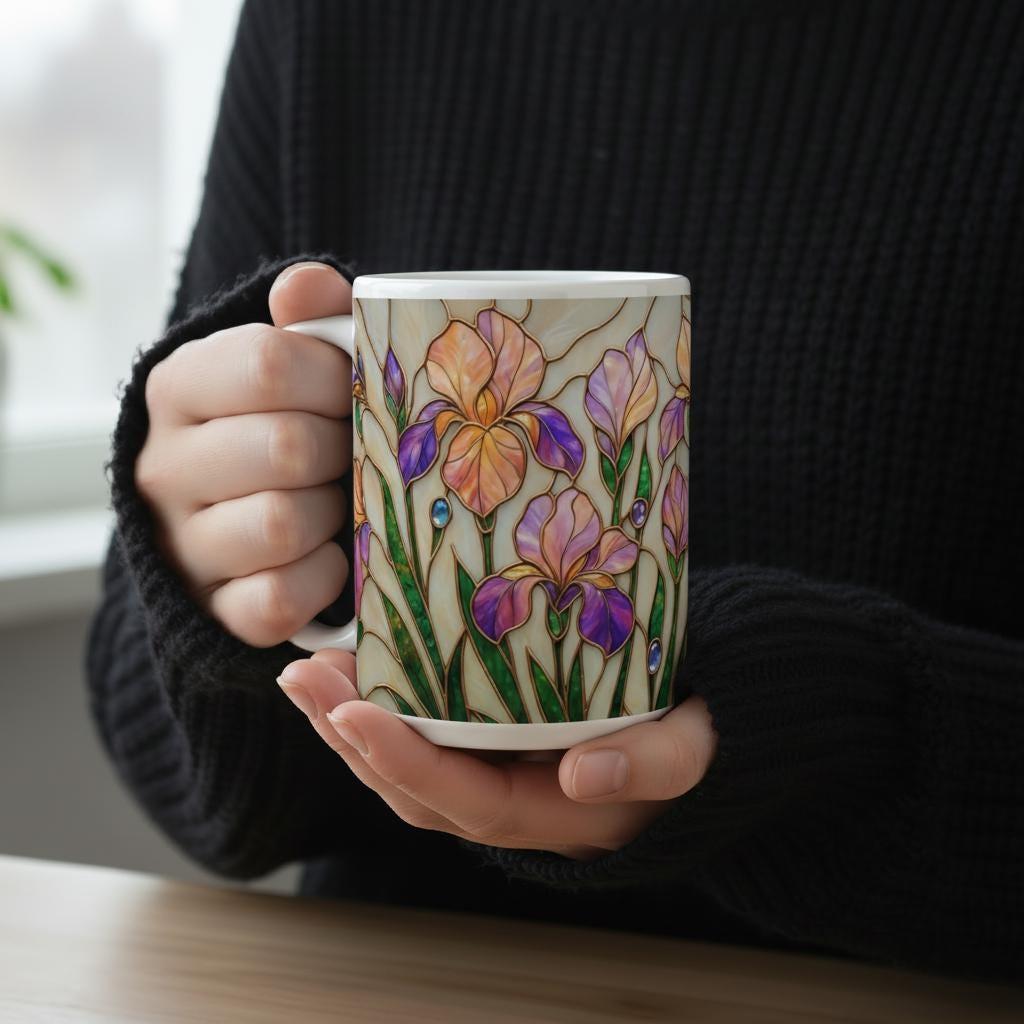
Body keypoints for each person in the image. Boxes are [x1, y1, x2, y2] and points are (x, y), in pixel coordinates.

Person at [86, 0, 1023, 983]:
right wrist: (238, 574)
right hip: (402, 994)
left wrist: (832, 744)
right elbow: (191, 787)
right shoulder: (331, 18)